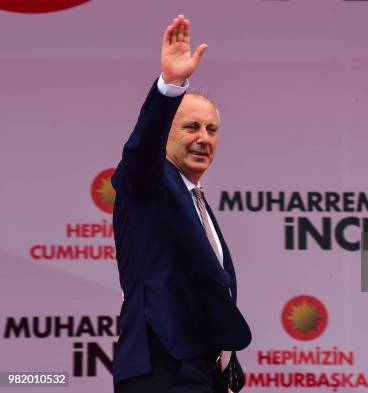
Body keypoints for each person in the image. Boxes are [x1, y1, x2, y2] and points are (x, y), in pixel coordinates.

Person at [111, 15, 251, 393]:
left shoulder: (195, 197)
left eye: (211, 129)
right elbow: (142, 150)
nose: (204, 138)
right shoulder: (150, 184)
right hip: (161, 370)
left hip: (202, 371)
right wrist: (170, 87)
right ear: (167, 134)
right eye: (191, 127)